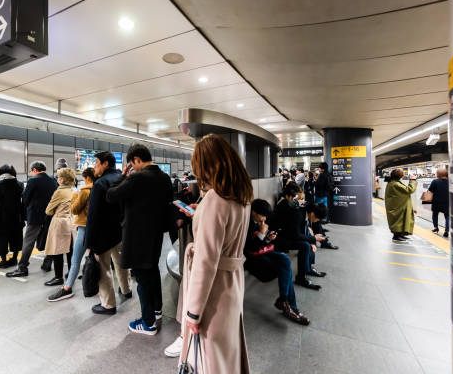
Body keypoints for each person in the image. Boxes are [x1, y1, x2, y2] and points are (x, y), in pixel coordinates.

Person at [178, 134, 253, 373]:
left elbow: (205, 262)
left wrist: (193, 312)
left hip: (214, 292)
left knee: (209, 359)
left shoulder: (214, 199)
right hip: (233, 283)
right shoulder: (241, 196)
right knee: (226, 353)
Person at [106, 144, 173, 335]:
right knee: (152, 271)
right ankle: (157, 310)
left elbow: (111, 196)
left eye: (132, 164)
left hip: (137, 237)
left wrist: (123, 175)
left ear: (136, 159)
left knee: (142, 279)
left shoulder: (137, 178)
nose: (132, 167)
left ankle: (148, 322)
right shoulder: (164, 178)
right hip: (155, 235)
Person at [244, 199, 310, 325]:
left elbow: (260, 244)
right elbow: (250, 248)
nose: (264, 219)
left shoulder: (258, 221)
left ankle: (285, 301)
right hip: (252, 258)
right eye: (262, 215)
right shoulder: (245, 222)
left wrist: (267, 238)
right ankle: (290, 306)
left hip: (262, 251)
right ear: (253, 212)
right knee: (285, 269)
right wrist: (262, 234)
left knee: (285, 261)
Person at [84, 151, 132, 315]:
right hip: (119, 231)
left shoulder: (100, 184)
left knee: (104, 269)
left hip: (102, 235)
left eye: (96, 163)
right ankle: (126, 290)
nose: (94, 166)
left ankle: (108, 304)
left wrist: (89, 241)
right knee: (121, 263)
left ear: (105, 164)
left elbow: (93, 215)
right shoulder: (121, 177)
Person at [47, 167, 96, 301]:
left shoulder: (83, 191)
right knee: (97, 259)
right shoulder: (100, 188)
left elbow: (74, 209)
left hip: (83, 227)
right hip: (96, 228)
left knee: (75, 260)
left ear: (87, 178)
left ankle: (67, 288)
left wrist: (75, 197)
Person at [7, 161, 58, 278]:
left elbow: (25, 199)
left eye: (31, 171)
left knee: (28, 242)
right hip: (50, 215)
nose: (31, 173)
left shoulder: (33, 181)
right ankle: (47, 263)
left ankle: (22, 267)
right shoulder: (53, 180)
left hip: (35, 216)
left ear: (34, 169)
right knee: (50, 239)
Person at [272, 184, 326, 290]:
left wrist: (312, 238)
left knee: (308, 241)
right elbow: (296, 235)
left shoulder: (302, 212)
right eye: (317, 218)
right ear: (312, 213)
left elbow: (299, 233)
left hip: (288, 235)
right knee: (306, 245)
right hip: (280, 238)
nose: (317, 221)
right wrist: (313, 239)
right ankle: (301, 277)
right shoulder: (298, 214)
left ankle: (307, 269)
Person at [43, 168, 76, 286]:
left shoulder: (59, 192)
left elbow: (48, 211)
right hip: (71, 222)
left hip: (60, 222)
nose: (57, 179)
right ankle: (71, 273)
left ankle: (58, 278)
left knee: (57, 250)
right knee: (69, 250)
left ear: (62, 179)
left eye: (58, 177)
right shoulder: (73, 190)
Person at [0, 164, 25, 268]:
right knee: (16, 237)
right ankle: (14, 259)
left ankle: (4, 261)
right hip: (16, 215)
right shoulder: (20, 184)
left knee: (2, 238)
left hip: (2, 216)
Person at [385, 169, 417, 242]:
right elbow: (409, 190)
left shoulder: (393, 182)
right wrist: (412, 180)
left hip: (397, 205)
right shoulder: (395, 184)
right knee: (399, 220)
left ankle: (400, 235)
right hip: (397, 206)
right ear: (400, 176)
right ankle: (396, 236)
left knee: (401, 219)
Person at [428, 168, 449, 238]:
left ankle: (435, 227)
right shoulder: (450, 182)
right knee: (447, 216)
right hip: (447, 201)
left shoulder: (435, 181)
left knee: (435, 214)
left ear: (438, 174)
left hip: (436, 201)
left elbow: (430, 190)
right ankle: (446, 231)